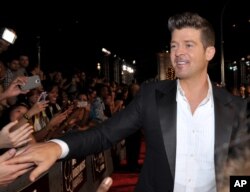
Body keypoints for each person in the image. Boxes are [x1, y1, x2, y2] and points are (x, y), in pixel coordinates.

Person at [7, 12, 248, 192]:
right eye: (174, 45)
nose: (178, 53)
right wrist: (57, 147)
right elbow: (104, 134)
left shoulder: (236, 108)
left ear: (209, 53)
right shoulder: (151, 96)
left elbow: (242, 174)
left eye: (189, 45)